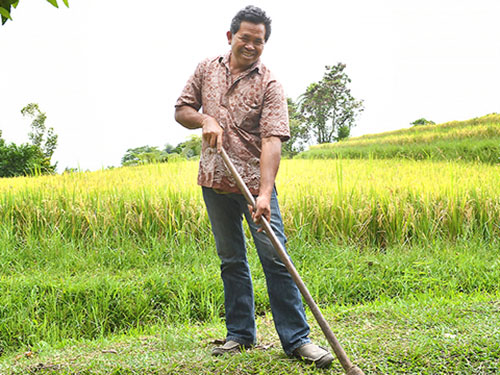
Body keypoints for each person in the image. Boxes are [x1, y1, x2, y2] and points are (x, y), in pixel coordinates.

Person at [174, 5, 334, 369]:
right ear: (231, 37)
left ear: (265, 45)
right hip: (214, 181)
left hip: (253, 186)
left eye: (258, 41)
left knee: (276, 259)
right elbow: (182, 109)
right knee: (231, 260)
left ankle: (297, 340)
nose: (251, 45)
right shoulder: (206, 69)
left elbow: (272, 142)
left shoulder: (270, 84)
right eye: (245, 38)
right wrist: (205, 118)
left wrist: (264, 193)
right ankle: (241, 334)